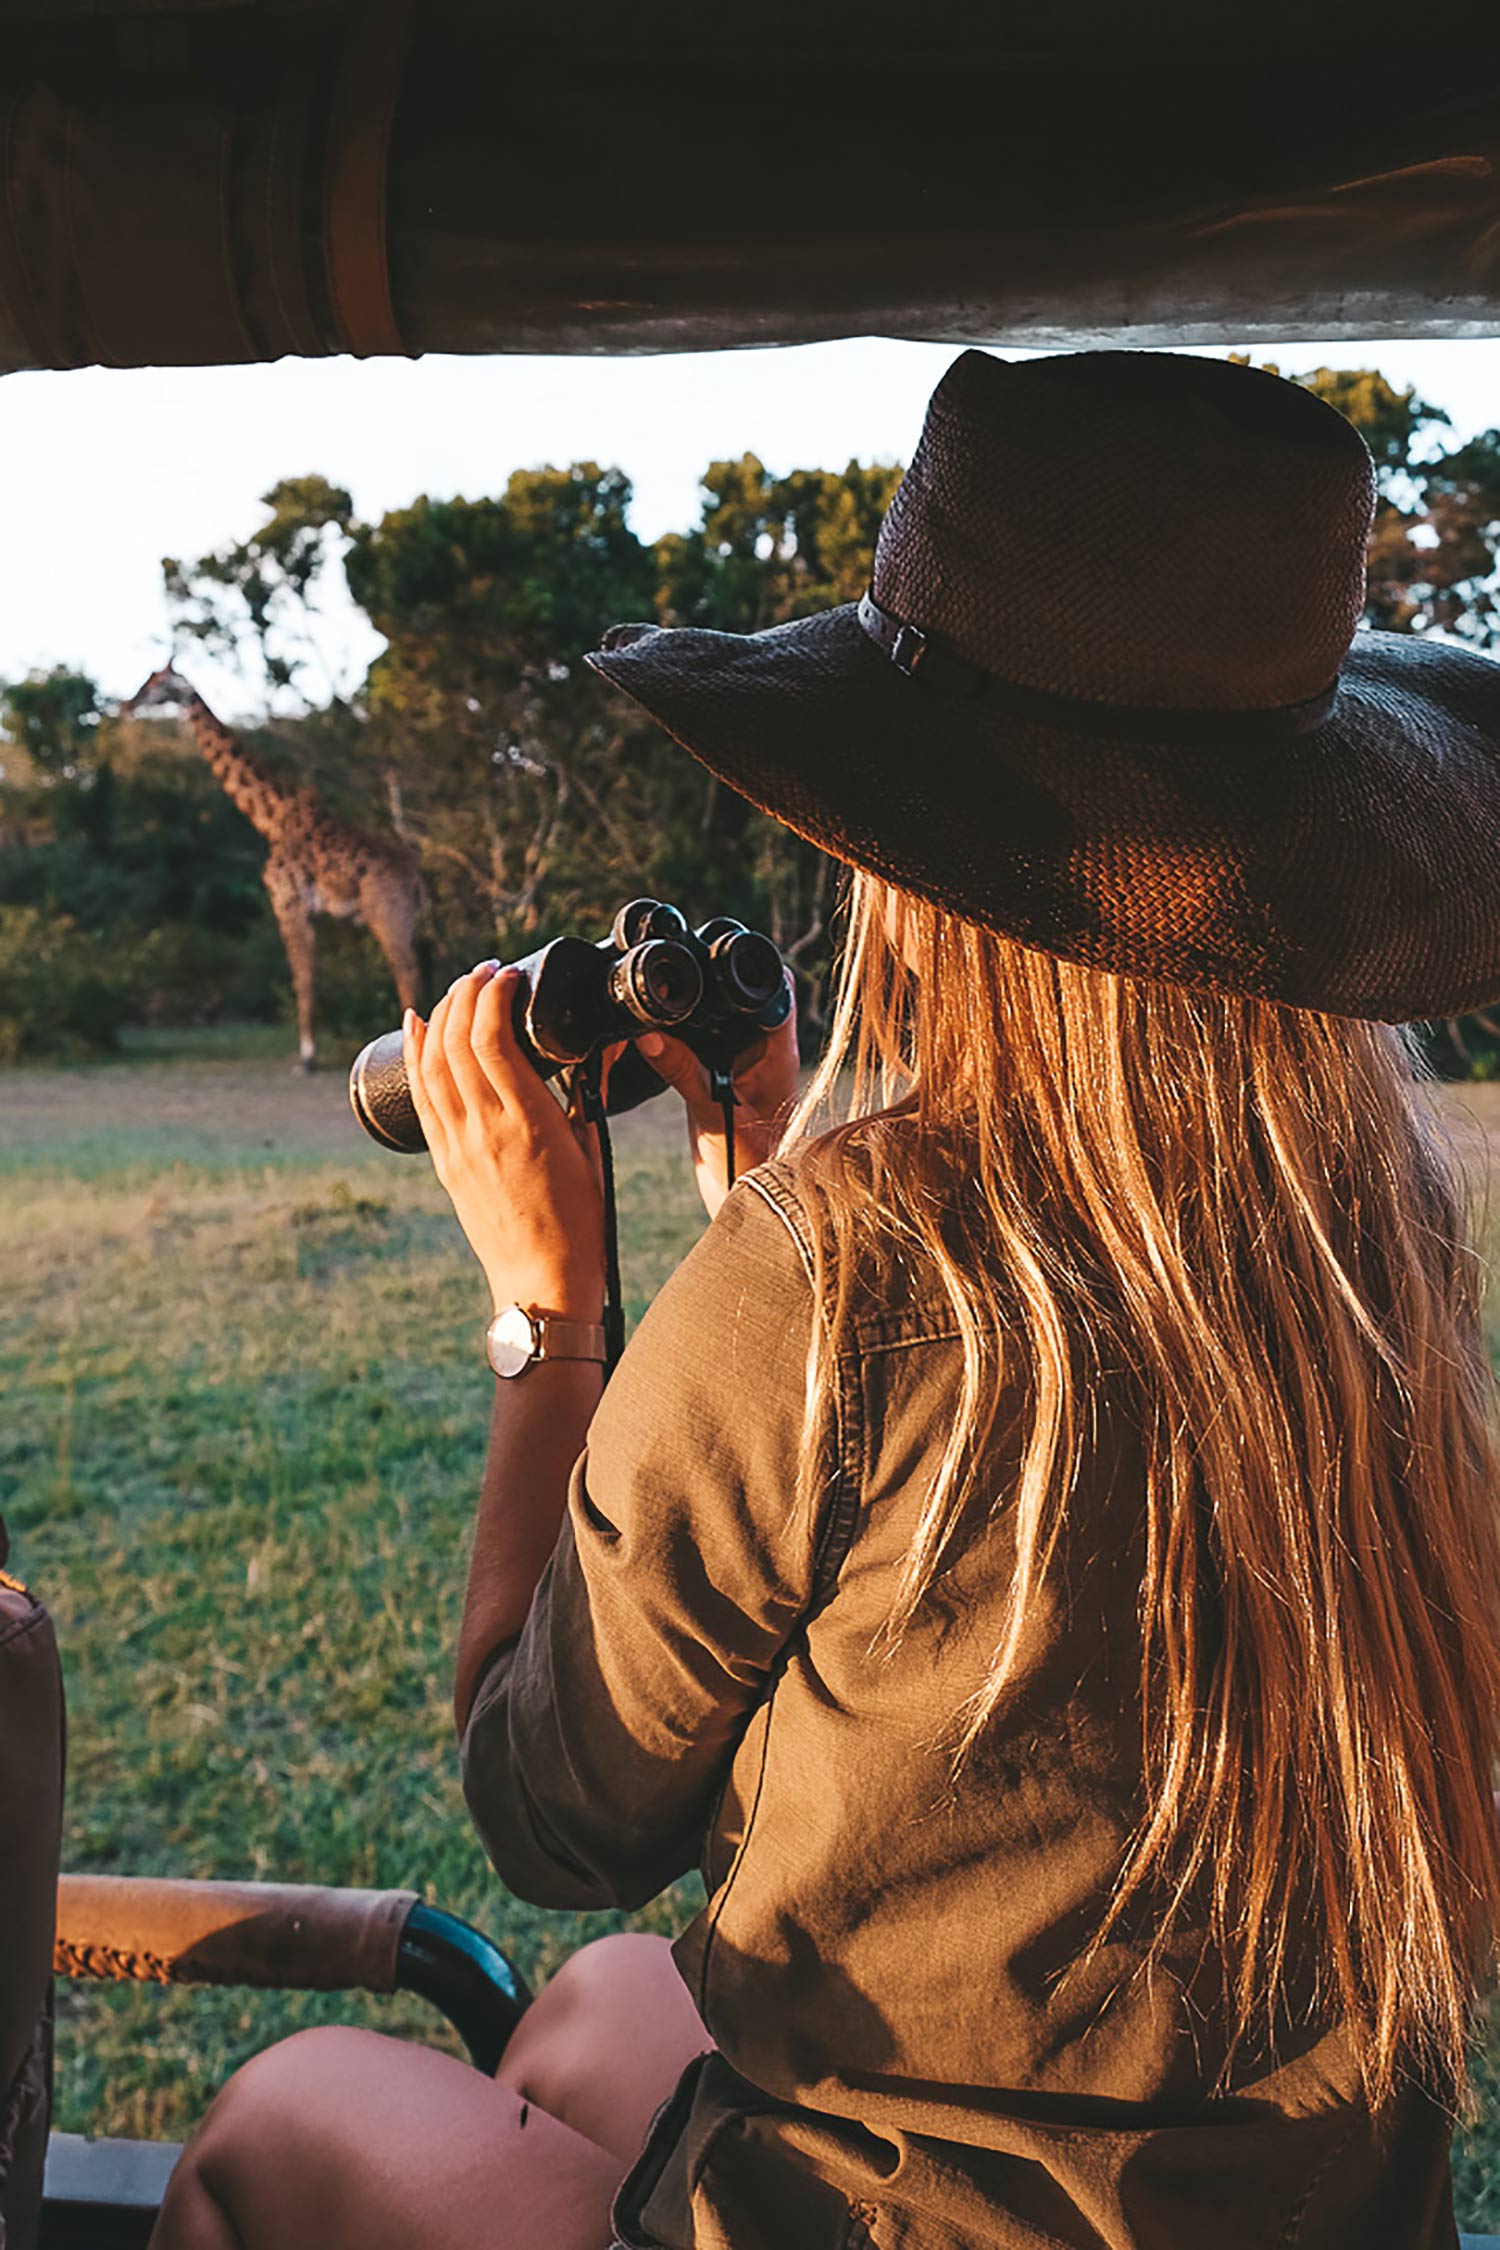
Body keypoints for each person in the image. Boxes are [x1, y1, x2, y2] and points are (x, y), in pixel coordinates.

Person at [150, 349, 1500, 2250]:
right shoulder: (1368, 1243)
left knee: (284, 2110)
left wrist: (552, 1314)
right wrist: (762, 1196)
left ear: (926, 848)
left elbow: (551, 1812)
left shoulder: (841, 1276)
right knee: (614, 2006)